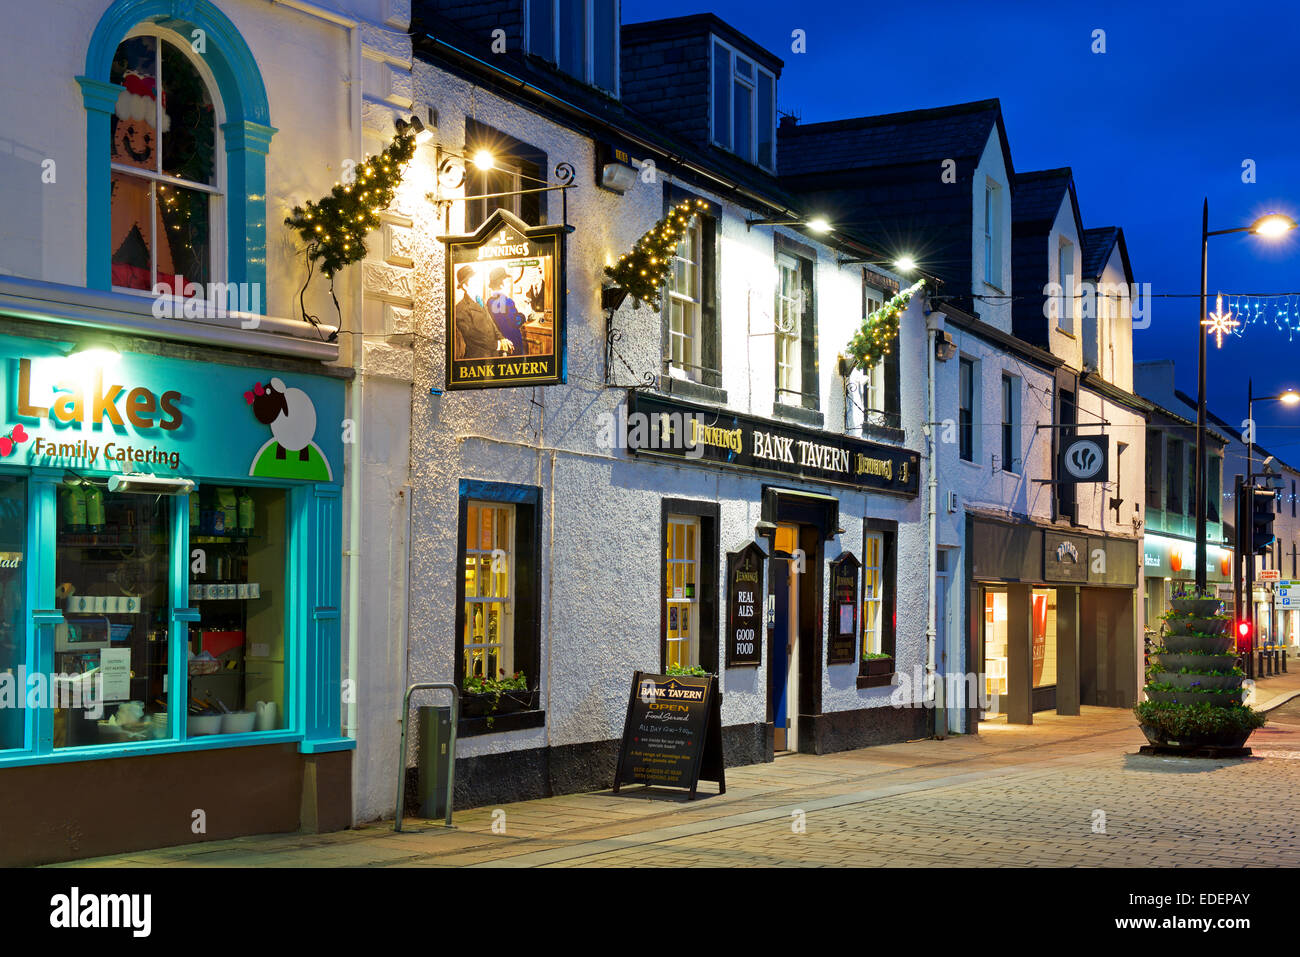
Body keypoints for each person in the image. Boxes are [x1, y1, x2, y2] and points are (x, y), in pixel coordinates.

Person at [454, 265, 512, 359]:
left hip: (493, 354)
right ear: (465, 285)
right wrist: (498, 344)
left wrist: (502, 338)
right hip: (477, 359)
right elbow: (475, 337)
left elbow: (491, 323)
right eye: (474, 282)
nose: (478, 284)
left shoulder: (480, 300)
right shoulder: (460, 309)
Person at [485, 267, 526, 355]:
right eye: (506, 281)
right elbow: (515, 322)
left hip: (500, 345)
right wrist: (524, 314)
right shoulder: (507, 301)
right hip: (512, 344)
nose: (508, 284)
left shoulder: (489, 301)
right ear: (501, 284)